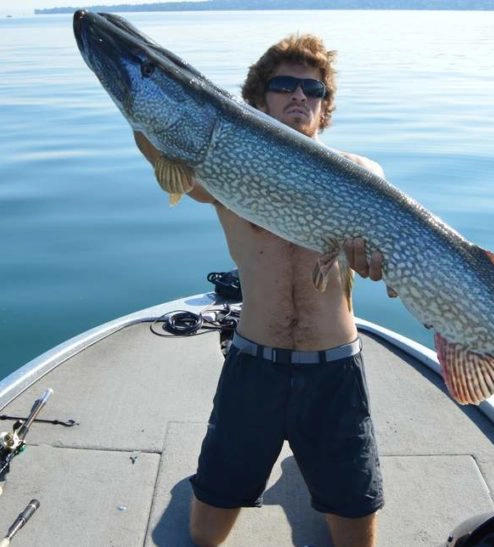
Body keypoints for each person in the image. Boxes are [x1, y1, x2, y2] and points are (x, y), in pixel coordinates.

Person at [133, 33, 395, 547]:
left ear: (324, 107)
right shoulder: (220, 172)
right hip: (255, 368)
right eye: (284, 85)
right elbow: (158, 138)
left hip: (334, 372)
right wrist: (137, 91)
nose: (300, 95)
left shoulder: (362, 174)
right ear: (258, 99)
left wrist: (378, 264)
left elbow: (384, 261)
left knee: (357, 535)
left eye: (312, 89)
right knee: (205, 531)